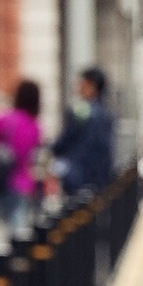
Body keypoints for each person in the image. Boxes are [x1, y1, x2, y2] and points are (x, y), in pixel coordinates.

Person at [0, 76, 42, 248]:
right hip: (22, 182)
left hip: (1, 180)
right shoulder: (35, 125)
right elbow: (34, 154)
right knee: (16, 226)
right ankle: (18, 259)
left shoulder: (8, 118)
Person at [53, 64, 117, 194]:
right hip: (100, 178)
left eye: (82, 83)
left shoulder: (81, 111)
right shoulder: (106, 113)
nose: (79, 87)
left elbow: (65, 140)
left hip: (77, 176)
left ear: (92, 86)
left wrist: (53, 150)